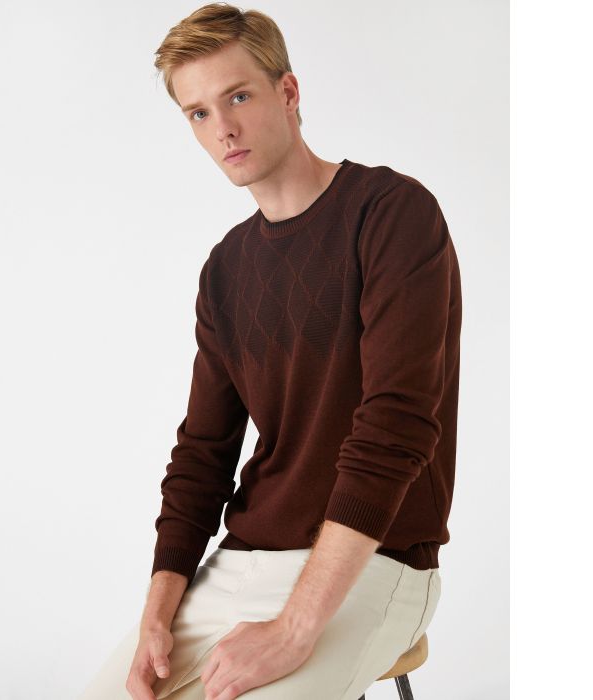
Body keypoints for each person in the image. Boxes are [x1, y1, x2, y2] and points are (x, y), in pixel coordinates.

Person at [78, 3, 461, 699]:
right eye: (198, 113)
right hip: (242, 563)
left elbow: (396, 425)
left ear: (288, 92)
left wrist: (294, 629)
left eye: (238, 97)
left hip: (377, 560)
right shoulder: (225, 270)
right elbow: (203, 454)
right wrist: (156, 616)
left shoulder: (390, 214)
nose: (222, 128)